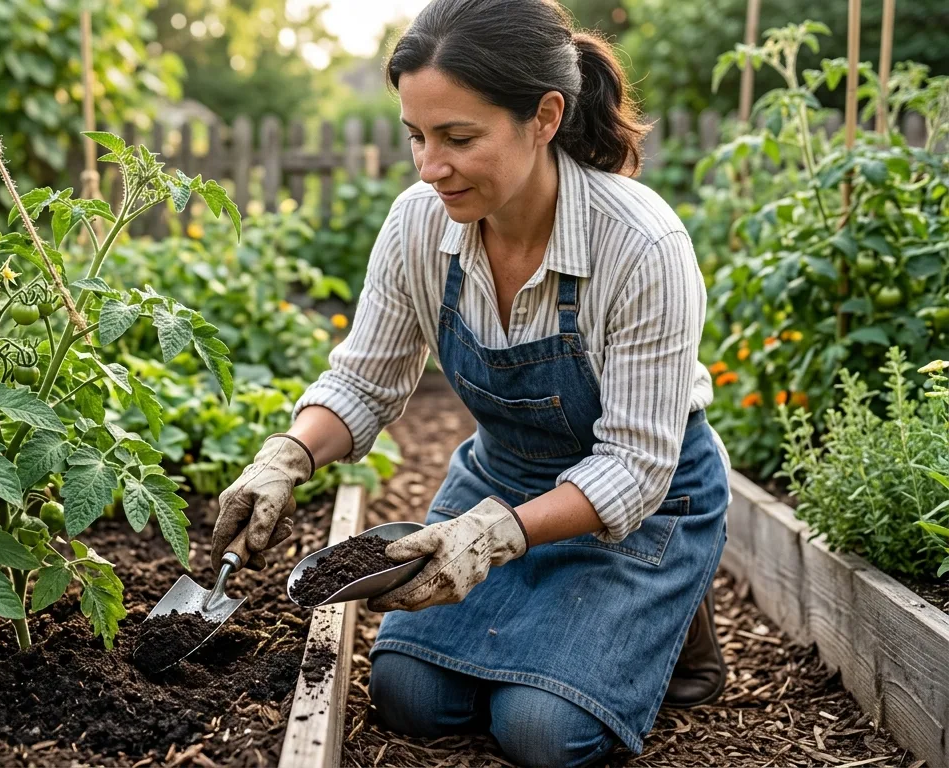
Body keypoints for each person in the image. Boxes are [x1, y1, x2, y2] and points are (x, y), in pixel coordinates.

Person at [209, 0, 730, 765]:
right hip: (504, 479)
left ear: (545, 116)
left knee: (542, 733)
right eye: (416, 136)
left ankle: (670, 617)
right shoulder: (420, 225)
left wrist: (498, 535)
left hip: (645, 504)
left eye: (458, 138)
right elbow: (365, 380)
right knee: (409, 698)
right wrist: (288, 455)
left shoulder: (642, 244)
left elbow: (634, 466)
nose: (429, 166)